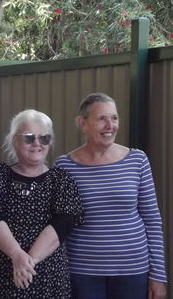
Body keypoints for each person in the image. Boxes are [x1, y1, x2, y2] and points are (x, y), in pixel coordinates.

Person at [54, 92, 167, 299]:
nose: (110, 125)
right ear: (83, 123)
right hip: (82, 273)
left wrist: (159, 275)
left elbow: (152, 220)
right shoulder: (64, 166)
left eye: (114, 118)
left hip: (133, 271)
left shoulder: (137, 160)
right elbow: (58, 224)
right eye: (101, 119)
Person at [0, 109, 84, 298]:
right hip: (2, 278)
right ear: (14, 141)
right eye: (28, 138)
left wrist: (26, 263)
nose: (37, 143)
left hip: (48, 279)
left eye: (44, 138)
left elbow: (63, 223)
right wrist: (16, 255)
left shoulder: (61, 179)